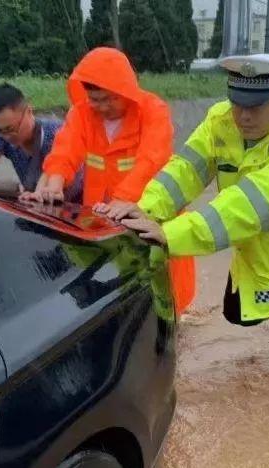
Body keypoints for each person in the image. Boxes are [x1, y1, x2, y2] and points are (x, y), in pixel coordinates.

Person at [98, 54, 269, 372]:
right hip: (257, 248)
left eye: (256, 106)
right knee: (236, 313)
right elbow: (186, 169)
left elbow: (243, 209)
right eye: (237, 102)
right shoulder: (221, 121)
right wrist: (146, 210)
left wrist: (169, 235)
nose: (243, 116)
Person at [25, 47, 196, 314]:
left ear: (126, 90)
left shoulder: (153, 111)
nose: (102, 107)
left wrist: (123, 201)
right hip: (104, 218)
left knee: (164, 287)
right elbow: (65, 149)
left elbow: (152, 160)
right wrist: (55, 181)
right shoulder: (82, 113)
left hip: (149, 213)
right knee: (115, 285)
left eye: (109, 99)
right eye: (95, 99)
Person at [0, 83, 82, 199]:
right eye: (0, 130)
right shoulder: (1, 135)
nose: (7, 136)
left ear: (28, 111)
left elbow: (55, 169)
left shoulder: (59, 133)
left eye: (11, 129)